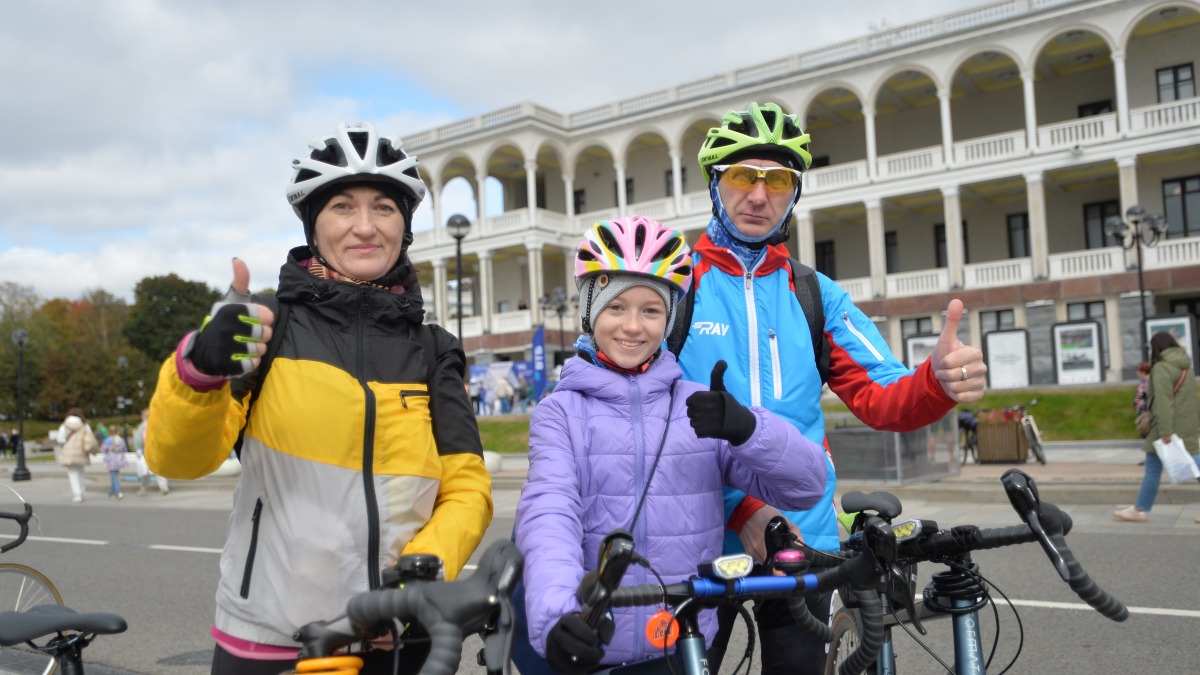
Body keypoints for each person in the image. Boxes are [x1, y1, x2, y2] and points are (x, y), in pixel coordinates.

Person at [146, 122, 492, 675]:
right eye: (341, 207)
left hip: (397, 637)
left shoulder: (432, 350)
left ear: (404, 226)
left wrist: (415, 582)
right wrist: (199, 373)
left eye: (383, 207)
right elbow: (176, 462)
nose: (364, 227)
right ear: (313, 224)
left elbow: (467, 488)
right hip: (272, 637)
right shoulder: (264, 326)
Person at [671, 101, 987, 673]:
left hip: (801, 537)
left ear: (794, 193)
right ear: (715, 185)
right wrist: (740, 506)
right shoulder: (674, 289)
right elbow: (641, 415)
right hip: (696, 536)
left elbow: (884, 395)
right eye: (743, 177)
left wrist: (934, 382)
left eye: (779, 181)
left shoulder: (815, 295)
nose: (759, 196)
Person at [514, 216, 830, 672]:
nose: (633, 326)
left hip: (681, 643)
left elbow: (806, 486)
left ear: (670, 318)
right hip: (592, 640)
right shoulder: (560, 413)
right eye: (616, 306)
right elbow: (549, 515)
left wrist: (747, 428)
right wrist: (559, 616)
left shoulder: (696, 405)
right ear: (589, 310)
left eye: (651, 310)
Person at [1114, 332, 1200, 523]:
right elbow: (1191, 398)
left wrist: (1166, 432)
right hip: (1187, 424)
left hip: (1166, 427)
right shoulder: (1186, 364)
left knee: (1156, 469)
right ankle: (1139, 509)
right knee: (1194, 463)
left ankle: (1139, 510)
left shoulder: (1161, 367)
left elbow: (1163, 402)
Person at [56, 408, 98, 503]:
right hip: (81, 451)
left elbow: (60, 439)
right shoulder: (84, 426)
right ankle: (82, 492)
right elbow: (90, 438)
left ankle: (77, 494)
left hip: (69, 452)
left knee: (72, 474)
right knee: (81, 473)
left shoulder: (65, 425)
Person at [132, 408, 169, 495]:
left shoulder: (143, 426)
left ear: (144, 416)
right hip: (157, 451)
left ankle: (144, 489)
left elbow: (138, 440)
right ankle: (164, 487)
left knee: (145, 472)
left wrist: (138, 450)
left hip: (146, 451)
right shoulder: (158, 424)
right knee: (158, 470)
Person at [101, 431, 128, 500]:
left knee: (114, 476)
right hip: (119, 460)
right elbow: (125, 449)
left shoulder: (107, 440)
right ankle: (112, 491)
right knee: (114, 475)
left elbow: (103, 449)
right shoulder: (121, 440)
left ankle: (118, 492)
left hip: (111, 460)